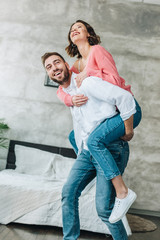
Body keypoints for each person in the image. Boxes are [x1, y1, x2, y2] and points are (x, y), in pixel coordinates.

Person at [41, 52, 138, 240]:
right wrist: (81, 152)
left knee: (104, 209)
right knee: (68, 193)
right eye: (49, 67)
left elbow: (124, 97)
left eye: (57, 63)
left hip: (109, 148)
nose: (54, 68)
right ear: (49, 74)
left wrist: (128, 131)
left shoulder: (86, 81)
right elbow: (78, 127)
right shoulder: (65, 93)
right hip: (87, 151)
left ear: (66, 64)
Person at [56, 20, 142, 223]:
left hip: (126, 110)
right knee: (74, 136)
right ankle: (96, 163)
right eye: (71, 29)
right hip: (113, 113)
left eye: (79, 27)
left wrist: (89, 73)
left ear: (88, 33)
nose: (74, 29)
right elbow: (63, 87)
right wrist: (70, 99)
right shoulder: (76, 64)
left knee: (95, 140)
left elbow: (114, 81)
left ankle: (122, 192)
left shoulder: (97, 51)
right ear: (71, 38)